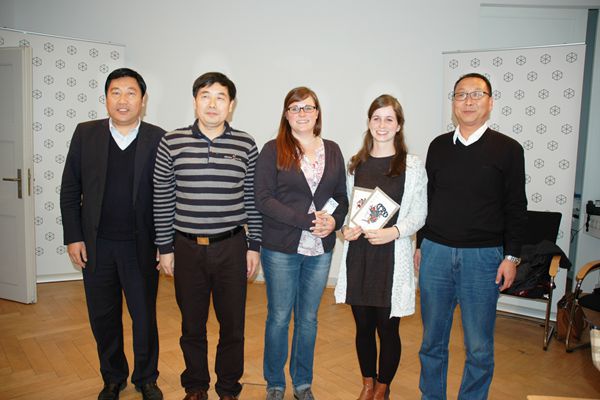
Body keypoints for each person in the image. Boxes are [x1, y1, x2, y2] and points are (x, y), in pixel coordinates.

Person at [416, 72, 527, 399]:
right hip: (435, 253)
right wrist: (421, 244)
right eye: (461, 94)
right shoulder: (438, 146)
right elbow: (428, 200)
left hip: (483, 258)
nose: (468, 101)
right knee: (431, 341)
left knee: (479, 346)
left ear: (490, 103)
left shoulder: (508, 149)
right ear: (453, 103)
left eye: (476, 94)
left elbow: (516, 206)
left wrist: (511, 256)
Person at [153, 72, 261, 400]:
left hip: (232, 246)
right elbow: (162, 196)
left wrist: (254, 245)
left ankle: (228, 388)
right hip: (186, 247)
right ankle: (196, 386)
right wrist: (165, 247)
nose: (212, 103)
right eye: (205, 96)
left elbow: (252, 198)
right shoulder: (172, 141)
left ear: (231, 105)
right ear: (195, 101)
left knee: (233, 326)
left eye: (220, 97)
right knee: (192, 325)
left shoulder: (246, 144)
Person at [60, 68, 165, 400]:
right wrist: (73, 237)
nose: (123, 100)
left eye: (131, 93)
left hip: (141, 246)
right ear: (106, 98)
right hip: (96, 246)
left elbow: (168, 195)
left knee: (144, 317)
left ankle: (146, 378)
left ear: (143, 100)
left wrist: (165, 243)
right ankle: (113, 377)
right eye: (115, 92)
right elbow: (70, 189)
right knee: (103, 317)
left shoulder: (159, 138)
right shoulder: (86, 133)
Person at [255, 87, 348, 400]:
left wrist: (334, 221)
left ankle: (302, 382)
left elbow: (341, 197)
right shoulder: (272, 149)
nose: (302, 113)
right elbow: (263, 199)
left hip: (320, 250)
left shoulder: (332, 150)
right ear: (286, 115)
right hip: (281, 247)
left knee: (308, 319)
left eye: (308, 107)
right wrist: (306, 221)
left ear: (317, 113)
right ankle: (275, 383)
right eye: (295, 108)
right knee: (280, 317)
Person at [334, 94, 427, 400]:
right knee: (363, 328)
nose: (382, 125)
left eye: (389, 119)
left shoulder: (412, 166)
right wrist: (346, 230)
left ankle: (383, 388)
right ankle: (367, 383)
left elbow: (419, 214)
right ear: (369, 122)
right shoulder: (356, 164)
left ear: (399, 125)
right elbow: (348, 210)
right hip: (359, 257)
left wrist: (393, 232)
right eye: (377, 118)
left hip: (391, 257)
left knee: (388, 330)